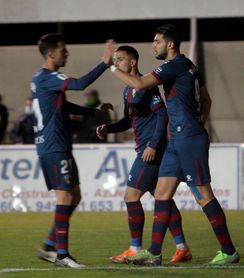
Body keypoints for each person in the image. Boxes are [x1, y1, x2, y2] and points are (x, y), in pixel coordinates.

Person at [109, 25, 240, 266]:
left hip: (188, 140)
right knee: (161, 193)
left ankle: (228, 251)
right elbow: (206, 98)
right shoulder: (189, 65)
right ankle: (155, 253)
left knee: (203, 196)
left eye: (157, 41)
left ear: (170, 45)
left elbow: (139, 84)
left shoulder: (175, 64)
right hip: (176, 140)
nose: (153, 45)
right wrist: (200, 119)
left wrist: (111, 66)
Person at [97, 45, 191, 264]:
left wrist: (152, 145)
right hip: (148, 149)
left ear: (132, 62)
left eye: (120, 59)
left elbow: (162, 115)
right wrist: (108, 128)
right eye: (116, 60)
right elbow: (127, 121)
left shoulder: (146, 87)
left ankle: (135, 248)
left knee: (130, 196)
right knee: (162, 197)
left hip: (152, 151)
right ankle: (181, 247)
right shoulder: (127, 90)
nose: (117, 63)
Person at [31, 33, 113, 268]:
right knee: (65, 197)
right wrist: (104, 64)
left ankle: (49, 245)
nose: (67, 53)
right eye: (63, 49)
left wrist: (93, 112)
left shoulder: (40, 79)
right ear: (51, 54)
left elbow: (62, 105)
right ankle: (62, 254)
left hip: (59, 146)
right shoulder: (50, 77)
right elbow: (79, 84)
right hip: (53, 146)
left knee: (74, 196)